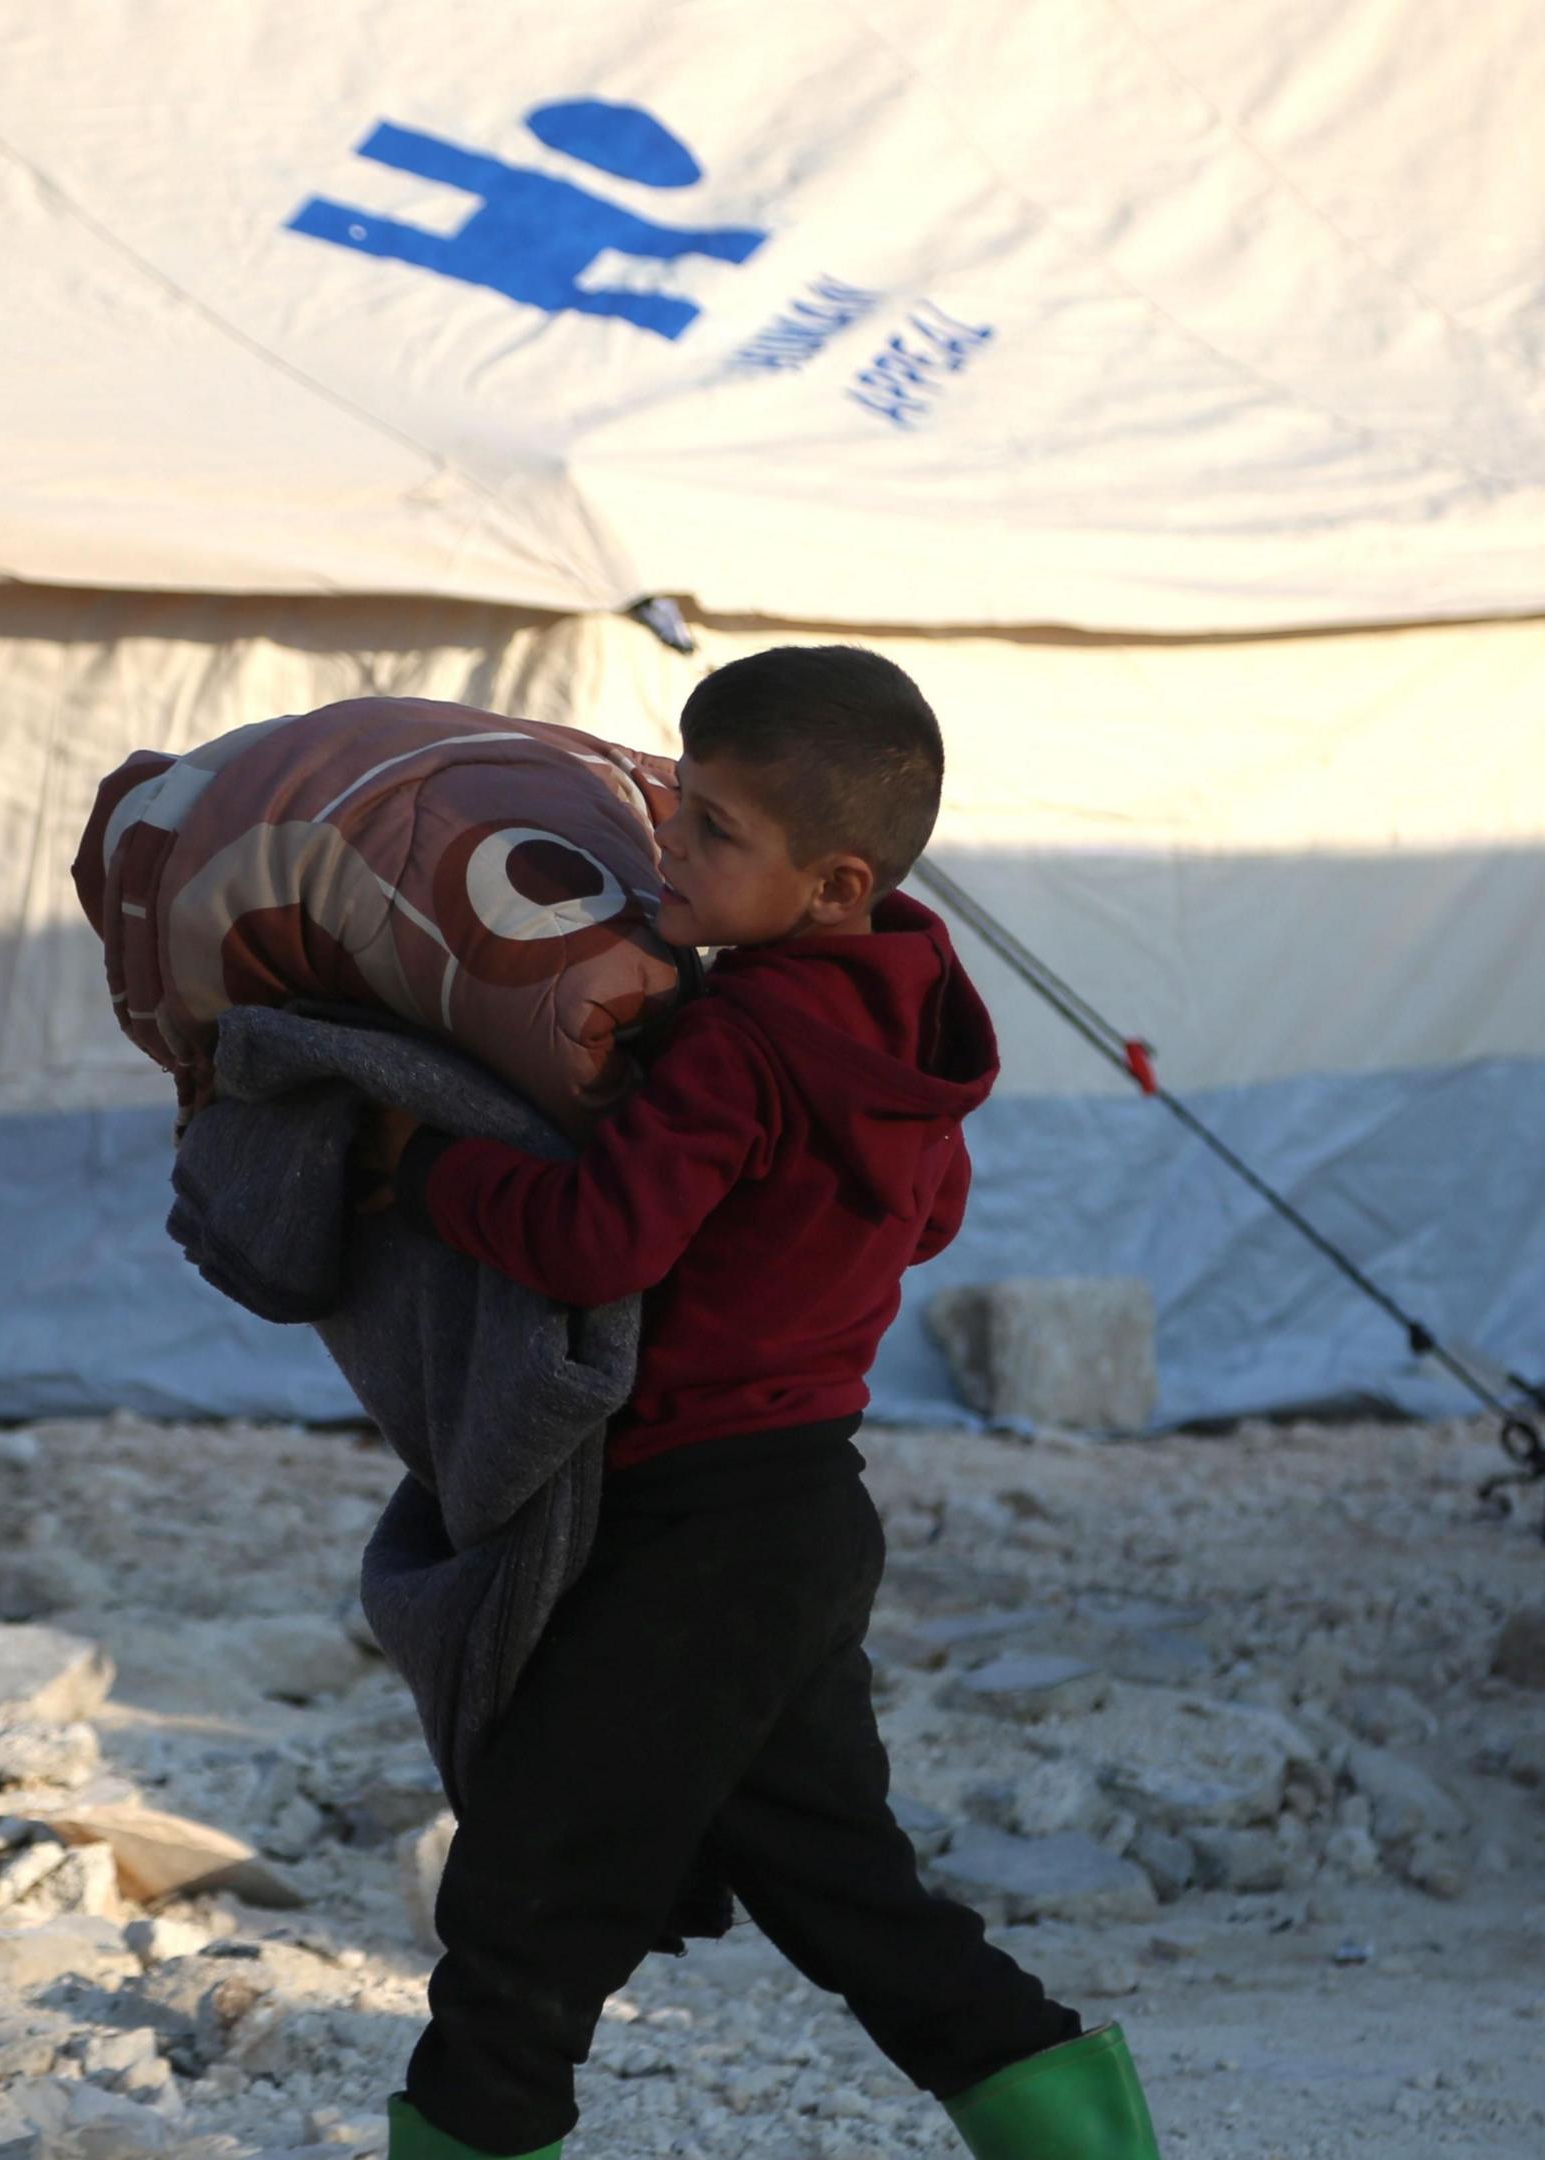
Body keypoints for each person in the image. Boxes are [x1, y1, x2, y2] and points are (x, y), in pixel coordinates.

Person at [361, 647, 1163, 2158]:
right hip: (801, 1509)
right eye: (676, 798)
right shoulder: (913, 1015)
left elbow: (599, 1239)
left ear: (833, 885)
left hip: (695, 1532)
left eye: (716, 832)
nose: (667, 838)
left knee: (532, 1892)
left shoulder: (737, 1039)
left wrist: (423, 1165)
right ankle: (1076, 2136)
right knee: (840, 1884)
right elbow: (926, 1222)